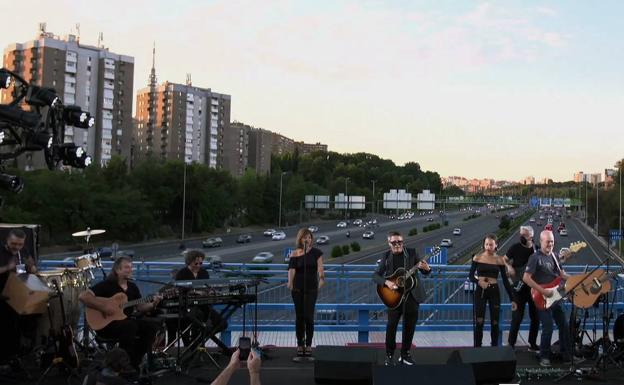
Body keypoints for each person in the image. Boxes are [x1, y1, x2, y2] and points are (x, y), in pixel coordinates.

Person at [79, 256, 161, 369]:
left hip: (125, 323)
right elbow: (83, 296)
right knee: (130, 326)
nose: (130, 270)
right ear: (117, 270)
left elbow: (141, 307)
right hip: (106, 326)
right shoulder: (106, 285)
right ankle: (121, 364)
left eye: (131, 267)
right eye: (126, 267)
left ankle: (133, 362)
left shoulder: (132, 287)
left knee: (151, 327)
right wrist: (104, 308)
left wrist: (153, 304)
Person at [372, 231, 431, 366]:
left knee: (409, 327)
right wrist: (387, 283)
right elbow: (375, 276)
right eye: (394, 242)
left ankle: (405, 354)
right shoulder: (386, 256)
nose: (397, 244)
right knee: (391, 327)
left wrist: (427, 268)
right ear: (389, 244)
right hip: (393, 298)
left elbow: (424, 271)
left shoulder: (411, 253)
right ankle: (389, 354)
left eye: (400, 242)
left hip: (411, 297)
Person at [522, 230, 573, 367]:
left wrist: (576, 278)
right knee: (548, 327)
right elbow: (526, 278)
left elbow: (561, 274)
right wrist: (543, 290)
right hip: (541, 298)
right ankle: (544, 356)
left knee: (564, 325)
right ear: (541, 242)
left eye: (552, 241)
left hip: (556, 297)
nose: (550, 244)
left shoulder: (555, 256)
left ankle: (567, 355)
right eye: (547, 241)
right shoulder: (535, 257)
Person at [171, 250, 227, 346]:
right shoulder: (182, 273)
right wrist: (196, 292)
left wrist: (210, 291)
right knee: (198, 319)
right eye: (195, 263)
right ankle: (195, 344)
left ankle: (198, 340)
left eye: (200, 263)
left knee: (222, 323)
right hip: (187, 306)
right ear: (189, 262)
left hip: (204, 305)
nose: (198, 265)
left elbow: (206, 287)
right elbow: (179, 291)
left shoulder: (204, 272)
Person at [468, 234, 514, 347]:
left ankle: (494, 347)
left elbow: (505, 281)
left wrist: (513, 298)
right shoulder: (477, 257)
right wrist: (479, 282)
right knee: (479, 321)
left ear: (496, 245)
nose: (488, 247)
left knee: (495, 322)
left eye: (491, 244)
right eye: (486, 244)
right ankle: (478, 347)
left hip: (494, 291)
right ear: (484, 245)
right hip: (480, 291)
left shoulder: (499, 260)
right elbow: (470, 276)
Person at [0, 229, 37, 366]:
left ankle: (21, 353)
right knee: (7, 326)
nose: (17, 247)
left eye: (20, 244)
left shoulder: (24, 251)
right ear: (7, 240)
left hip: (20, 292)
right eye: (14, 243)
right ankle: (5, 358)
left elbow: (32, 266)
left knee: (32, 316)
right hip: (3, 295)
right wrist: (7, 267)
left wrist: (32, 267)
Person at [287, 228, 325, 357]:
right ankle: (300, 344)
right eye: (305, 237)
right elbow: (291, 270)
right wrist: (290, 283)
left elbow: (320, 268)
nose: (307, 239)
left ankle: (309, 344)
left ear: (311, 239)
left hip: (311, 289)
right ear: (300, 239)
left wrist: (321, 279)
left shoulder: (317, 253)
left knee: (308, 317)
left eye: (309, 237)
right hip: (297, 289)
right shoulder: (294, 254)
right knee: (299, 317)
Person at [503, 226, 540, 352]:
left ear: (531, 236)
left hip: (533, 288)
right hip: (518, 288)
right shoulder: (514, 247)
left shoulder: (537, 250)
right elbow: (504, 259)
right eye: (521, 234)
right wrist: (509, 267)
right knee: (517, 318)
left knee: (535, 318)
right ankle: (511, 345)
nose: (522, 237)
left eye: (525, 235)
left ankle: (532, 343)